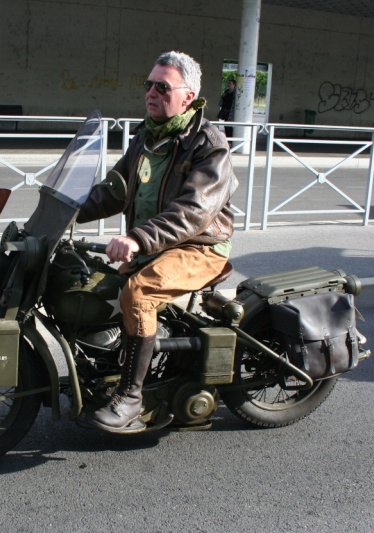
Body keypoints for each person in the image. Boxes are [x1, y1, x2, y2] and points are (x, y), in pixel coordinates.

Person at [77, 51, 238, 433]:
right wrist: (66, 210)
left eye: (162, 86)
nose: (151, 92)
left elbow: (194, 211)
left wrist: (136, 237)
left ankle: (131, 398)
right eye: (148, 84)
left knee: (138, 294)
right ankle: (112, 372)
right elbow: (114, 191)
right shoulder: (147, 136)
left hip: (201, 247)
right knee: (96, 291)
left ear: (188, 95)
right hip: (157, 245)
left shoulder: (209, 143)